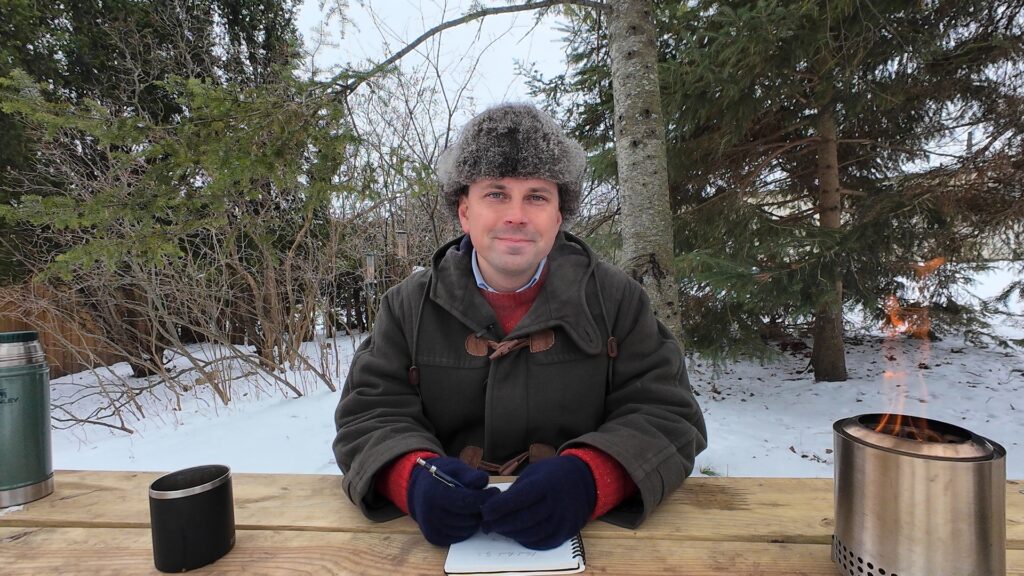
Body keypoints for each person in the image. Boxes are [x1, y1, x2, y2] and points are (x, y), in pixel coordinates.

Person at [333, 103, 707, 551]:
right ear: (464, 211)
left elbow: (668, 415)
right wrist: (412, 477)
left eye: (536, 196)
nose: (516, 215)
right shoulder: (406, 307)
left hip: (594, 544)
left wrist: (592, 478)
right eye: (496, 193)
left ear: (558, 215)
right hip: (438, 550)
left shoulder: (618, 300)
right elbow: (368, 415)